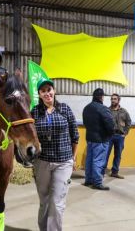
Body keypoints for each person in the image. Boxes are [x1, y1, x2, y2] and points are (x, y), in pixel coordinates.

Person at [31, 78, 79, 231]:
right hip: (42, 162)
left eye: (49, 89)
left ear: (54, 91)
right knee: (44, 201)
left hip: (63, 162)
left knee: (57, 202)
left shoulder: (65, 109)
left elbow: (75, 135)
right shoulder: (34, 112)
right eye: (43, 91)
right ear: (39, 94)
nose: (47, 93)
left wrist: (73, 157)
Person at [82, 88, 114, 190]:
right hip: (101, 139)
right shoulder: (103, 108)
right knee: (98, 160)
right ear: (101, 97)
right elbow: (110, 124)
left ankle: (88, 180)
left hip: (90, 138)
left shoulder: (86, 108)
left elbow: (85, 123)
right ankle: (97, 182)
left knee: (89, 159)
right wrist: (110, 134)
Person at [104, 93, 131, 179]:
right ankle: (101, 171)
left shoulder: (124, 111)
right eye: (112, 99)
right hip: (109, 136)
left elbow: (128, 122)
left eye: (115, 99)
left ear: (118, 100)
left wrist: (125, 133)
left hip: (120, 136)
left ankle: (115, 172)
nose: (113, 100)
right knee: (105, 154)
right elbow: (103, 122)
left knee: (118, 155)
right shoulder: (107, 110)